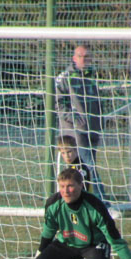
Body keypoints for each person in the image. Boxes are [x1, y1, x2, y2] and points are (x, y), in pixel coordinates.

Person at [55, 45, 105, 201]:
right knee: (87, 165)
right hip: (75, 132)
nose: (84, 60)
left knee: (84, 167)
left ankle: (81, 197)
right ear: (74, 58)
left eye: (87, 56)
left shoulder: (91, 77)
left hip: (92, 130)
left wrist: (99, 120)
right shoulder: (65, 77)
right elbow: (58, 103)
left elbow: (98, 102)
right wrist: (75, 120)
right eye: (81, 56)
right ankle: (102, 200)